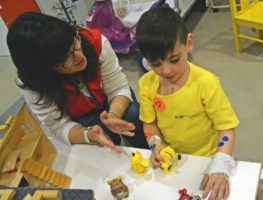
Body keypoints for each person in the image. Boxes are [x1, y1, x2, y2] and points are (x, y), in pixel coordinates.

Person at [6, 12, 149, 153]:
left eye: (74, 43)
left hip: (110, 99)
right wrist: (87, 135)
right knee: (100, 141)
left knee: (132, 113)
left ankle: (146, 151)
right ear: (46, 69)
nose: (79, 56)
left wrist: (113, 116)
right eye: (66, 60)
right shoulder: (33, 83)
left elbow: (117, 87)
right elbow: (58, 125)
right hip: (81, 119)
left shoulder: (94, 41)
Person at [136, 7, 239, 200]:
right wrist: (155, 144)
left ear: (189, 43)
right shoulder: (146, 84)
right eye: (155, 64)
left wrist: (220, 165)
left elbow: (226, 128)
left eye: (174, 60)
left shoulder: (206, 83)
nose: (166, 70)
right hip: (172, 160)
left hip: (208, 158)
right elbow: (149, 124)